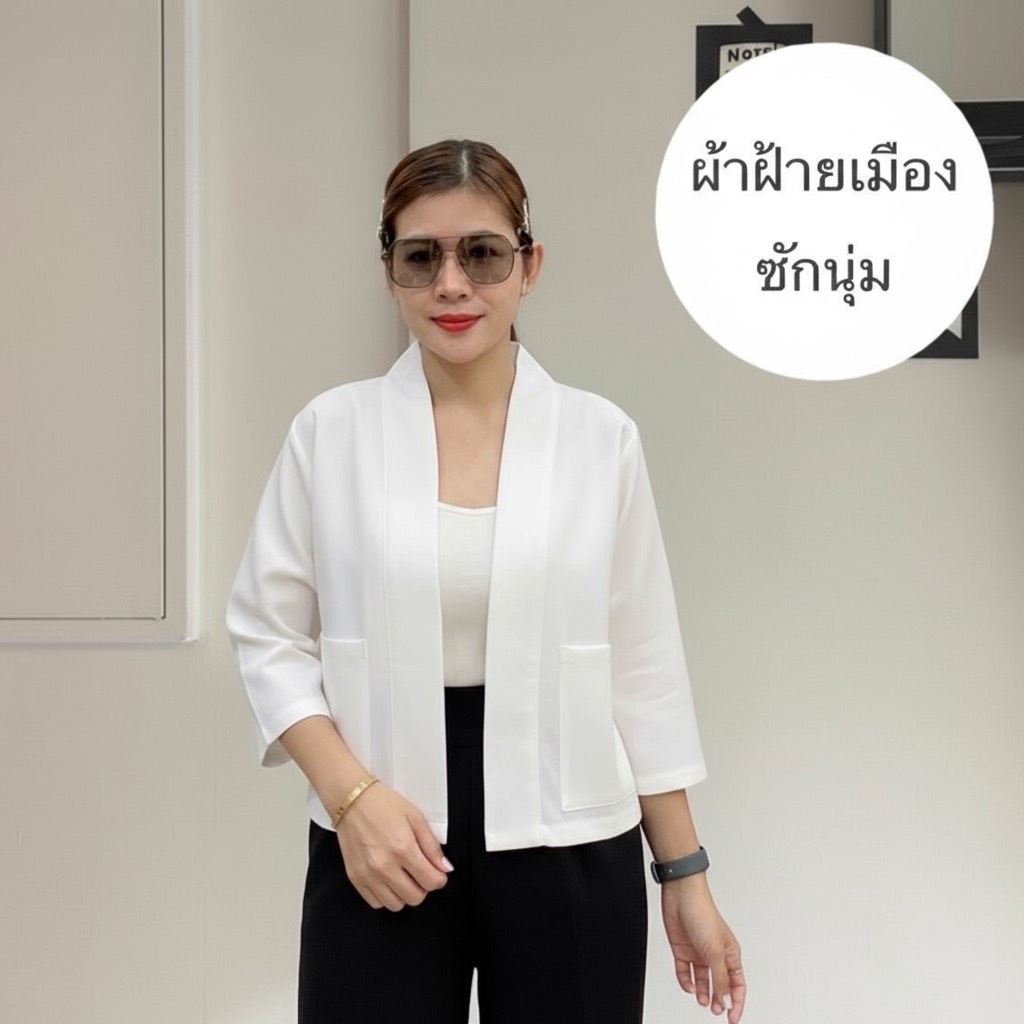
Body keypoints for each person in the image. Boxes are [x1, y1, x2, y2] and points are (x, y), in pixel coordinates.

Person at [227, 138, 746, 1024]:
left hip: (571, 841)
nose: (451, 285)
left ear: (529, 265)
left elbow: (643, 667)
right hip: (384, 835)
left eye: (482, 254)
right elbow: (267, 634)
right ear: (389, 271)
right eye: (420, 258)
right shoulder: (331, 433)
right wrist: (352, 801)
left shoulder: (599, 439)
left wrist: (685, 874)